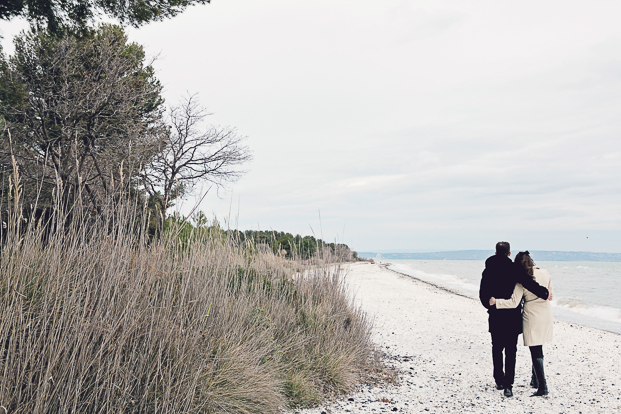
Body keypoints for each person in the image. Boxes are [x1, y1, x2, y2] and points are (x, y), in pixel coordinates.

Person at [479, 242, 551, 397]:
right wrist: (544, 293)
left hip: (496, 316)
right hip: (512, 318)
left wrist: (490, 306)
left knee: (496, 348)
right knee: (511, 351)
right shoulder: (514, 269)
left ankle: (498, 379)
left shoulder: (487, 270)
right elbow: (529, 283)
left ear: (496, 252)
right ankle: (508, 386)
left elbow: (482, 294)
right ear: (509, 253)